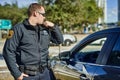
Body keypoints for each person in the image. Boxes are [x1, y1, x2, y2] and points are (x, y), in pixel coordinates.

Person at [3, 3, 63, 80]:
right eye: (43, 14)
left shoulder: (44, 29)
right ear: (35, 13)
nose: (44, 17)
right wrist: (17, 74)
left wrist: (54, 27)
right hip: (28, 75)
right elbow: (8, 51)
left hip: (45, 73)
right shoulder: (18, 29)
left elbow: (59, 41)